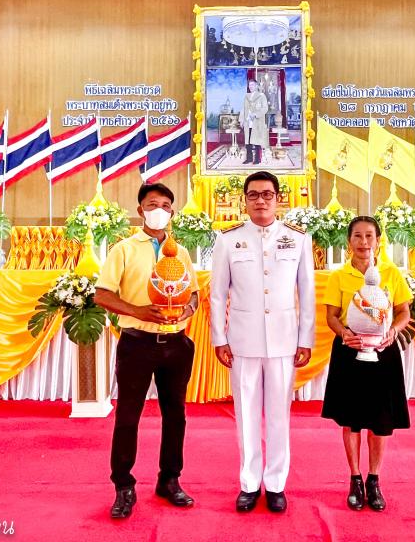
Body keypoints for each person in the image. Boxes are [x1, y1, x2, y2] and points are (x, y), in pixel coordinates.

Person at [209, 170, 315, 513]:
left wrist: (305, 338)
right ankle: (249, 483)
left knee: (279, 416)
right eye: (253, 195)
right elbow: (216, 294)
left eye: (267, 194)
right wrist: (219, 338)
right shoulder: (228, 239)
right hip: (242, 340)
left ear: (278, 198)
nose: (260, 201)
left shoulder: (298, 238)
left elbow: (307, 293)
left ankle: (276, 484)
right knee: (246, 415)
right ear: (245, 200)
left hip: (285, 340)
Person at [94, 182, 199, 519]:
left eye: (167, 205)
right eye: (153, 203)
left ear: (172, 212)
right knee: (128, 417)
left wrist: (188, 309)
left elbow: (193, 293)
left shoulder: (180, 252)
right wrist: (137, 310)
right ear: (140, 210)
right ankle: (123, 485)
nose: (160, 209)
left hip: (175, 343)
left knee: (176, 416)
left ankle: (169, 479)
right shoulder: (123, 249)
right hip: (137, 343)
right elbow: (102, 295)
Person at [321, 216, 412, 512]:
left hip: (383, 353)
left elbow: (403, 313)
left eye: (369, 236)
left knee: (380, 420)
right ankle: (354, 478)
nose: (363, 243)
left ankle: (374, 479)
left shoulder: (390, 272)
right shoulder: (339, 276)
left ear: (378, 240)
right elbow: (332, 316)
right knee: (351, 419)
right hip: (349, 351)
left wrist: (393, 332)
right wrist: (344, 333)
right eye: (357, 236)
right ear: (349, 241)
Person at [239, 79, 269, 165]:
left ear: (256, 86)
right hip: (247, 121)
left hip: (257, 122)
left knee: (257, 141)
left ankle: (257, 159)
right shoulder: (246, 96)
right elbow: (243, 109)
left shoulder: (261, 96)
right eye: (249, 85)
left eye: (252, 85)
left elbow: (265, 108)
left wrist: (256, 114)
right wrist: (241, 120)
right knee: (248, 141)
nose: (250, 86)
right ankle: (249, 158)